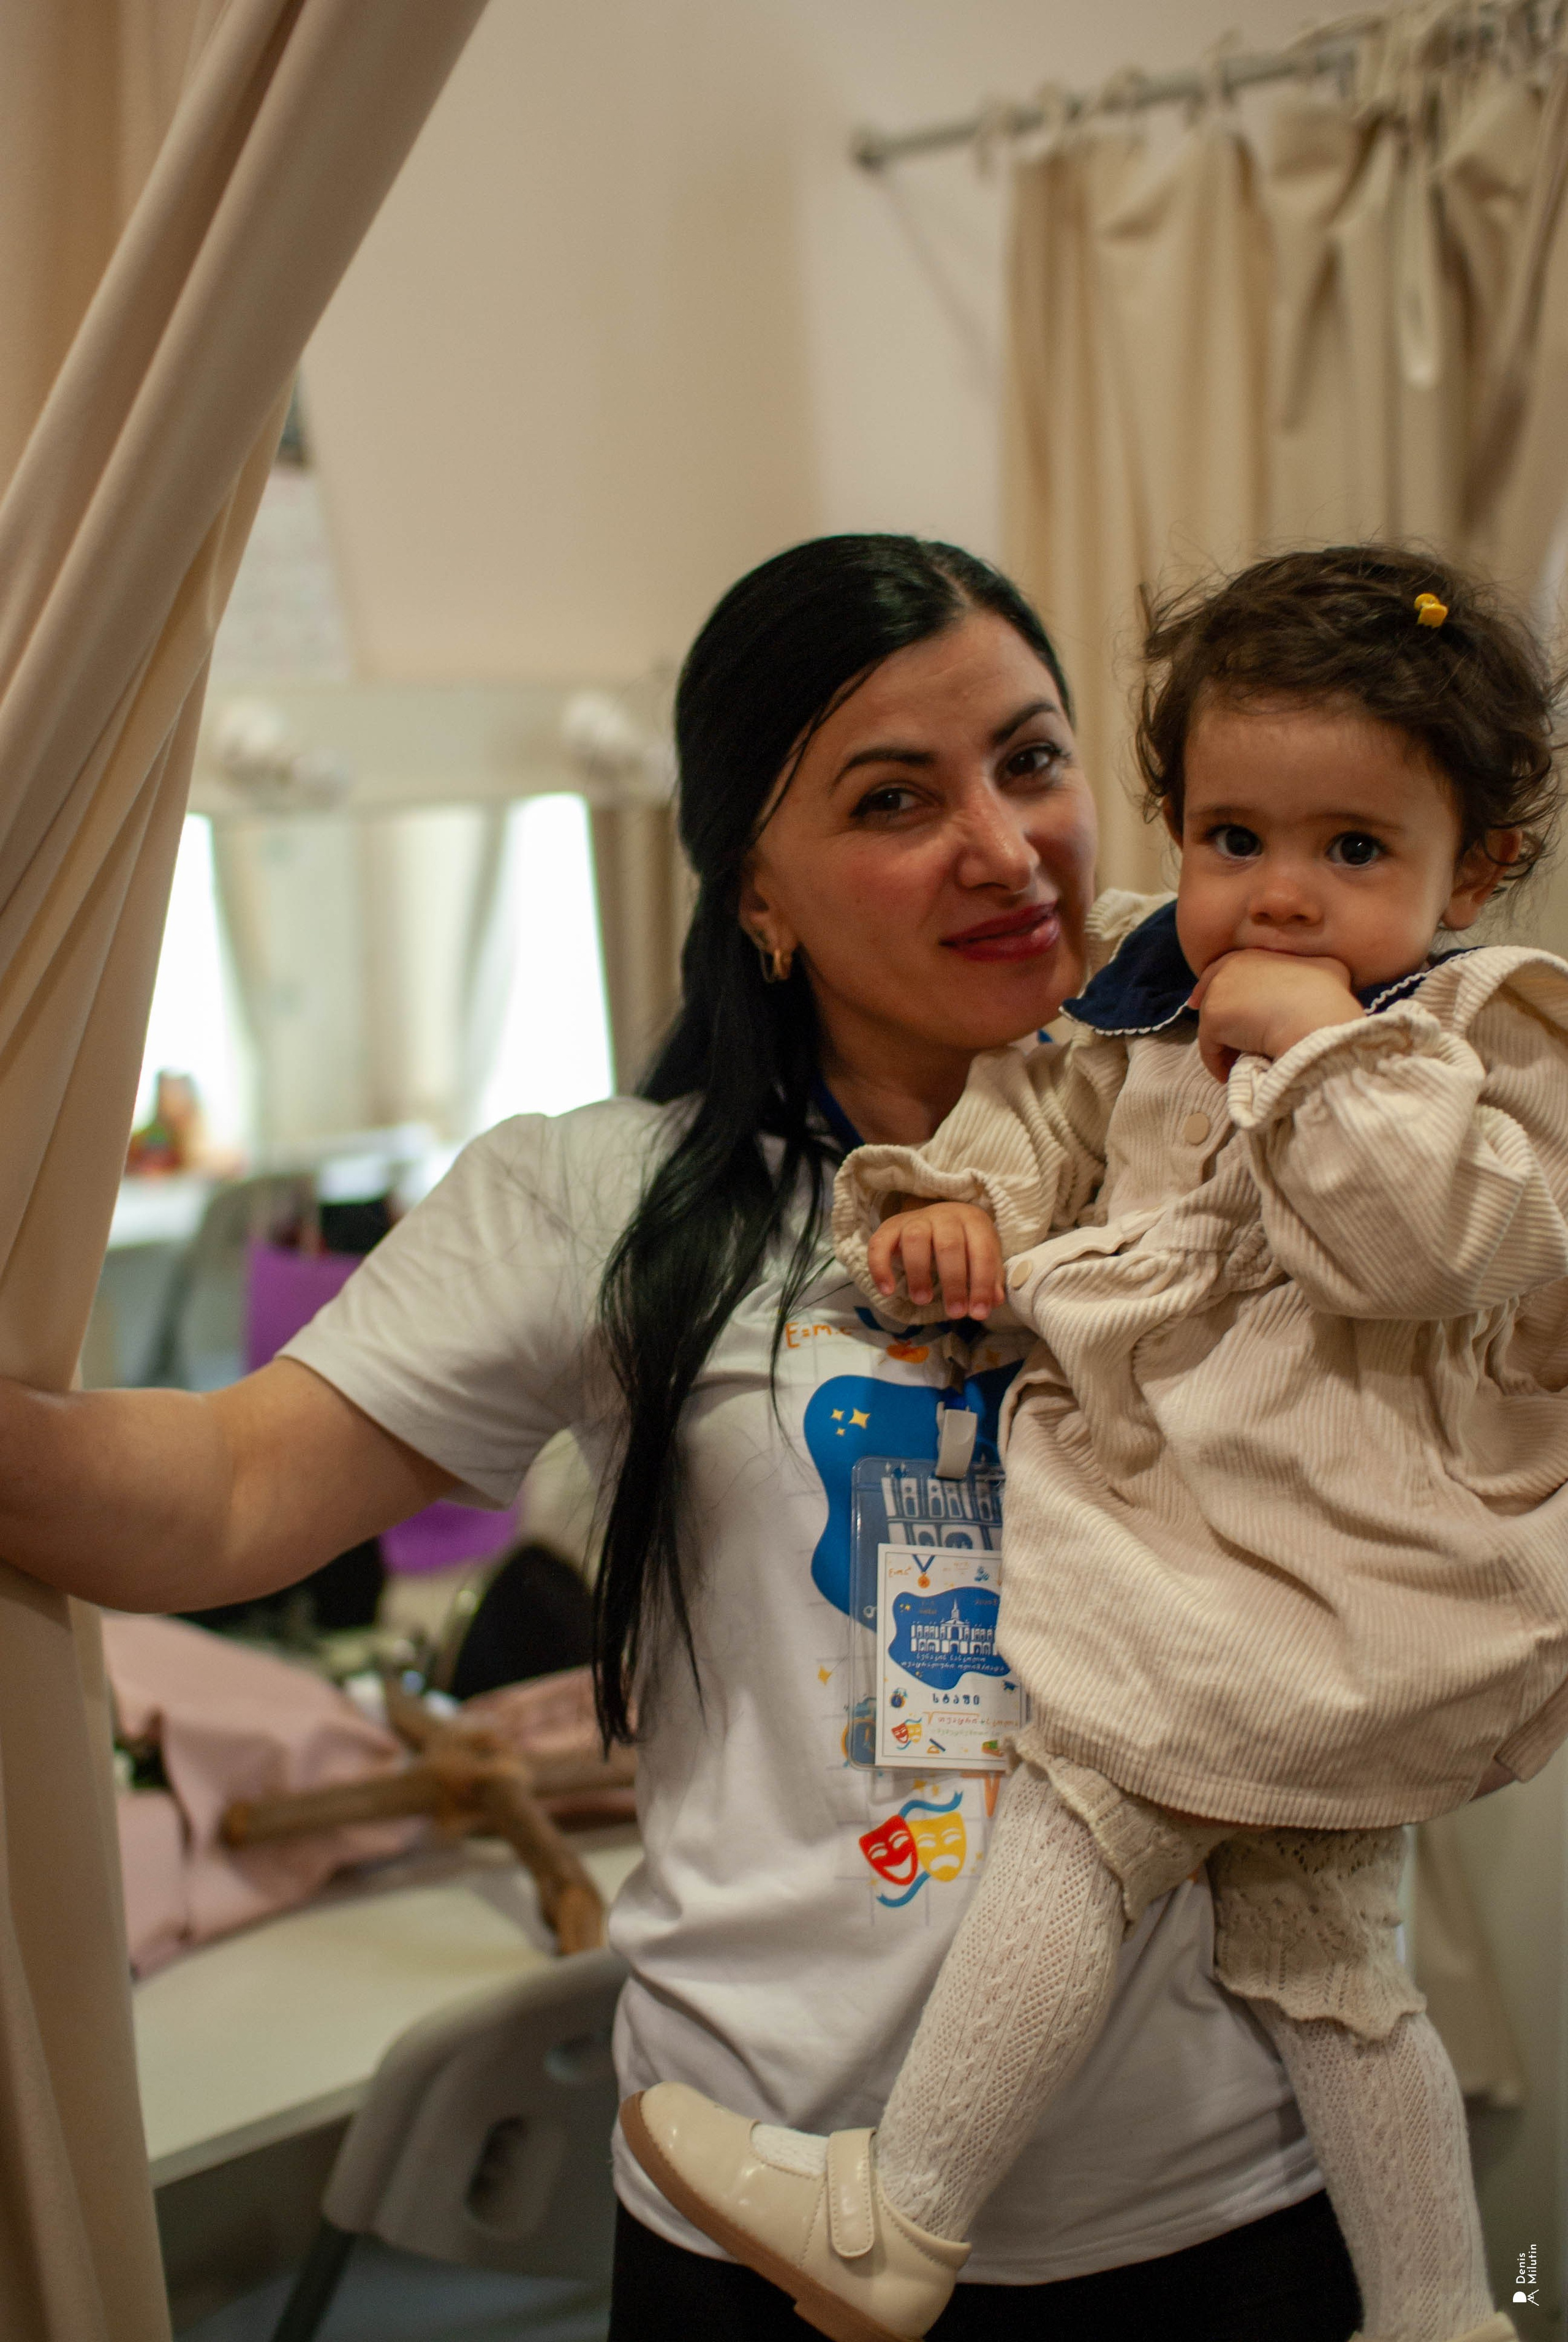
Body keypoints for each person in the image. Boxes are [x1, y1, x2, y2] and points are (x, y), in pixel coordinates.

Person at [7, 538, 1369, 2338]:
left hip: (1220, 2194)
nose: (1001, 844)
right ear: (760, 897)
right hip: (768, 2210)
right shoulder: (605, 1204)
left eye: (1030, 762)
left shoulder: (1266, 1129)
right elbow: (227, 1492)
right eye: (898, 799)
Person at [621, 546, 1567, 2342]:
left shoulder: (1470, 1042)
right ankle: (1446, 2310)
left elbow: (1430, 1246)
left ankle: (904, 2212)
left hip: (1324, 1584)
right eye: (1235, 840)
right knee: (1331, 1974)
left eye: (1354, 853)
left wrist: (1312, 1062)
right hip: (1229, 1583)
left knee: (1081, 1809)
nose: (1279, 903)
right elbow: (1022, 1141)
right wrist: (935, 1218)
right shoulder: (1131, 1005)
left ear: (1481, 867)